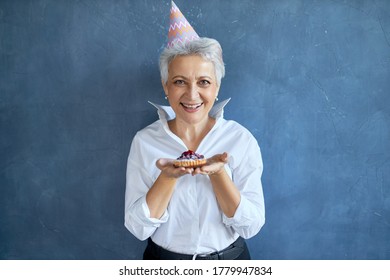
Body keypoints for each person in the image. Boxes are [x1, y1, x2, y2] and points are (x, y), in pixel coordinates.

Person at [124, 1, 265, 260]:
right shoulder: (144, 142)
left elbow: (251, 226)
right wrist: (166, 178)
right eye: (179, 82)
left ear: (217, 88)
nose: (192, 95)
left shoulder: (240, 140)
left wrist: (220, 173)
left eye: (204, 82)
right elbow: (138, 228)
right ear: (166, 86)